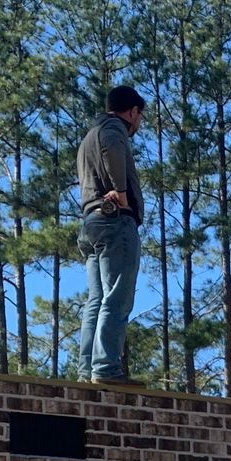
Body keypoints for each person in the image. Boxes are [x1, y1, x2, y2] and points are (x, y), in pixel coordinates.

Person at [76, 85, 146, 384]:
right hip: (115, 221)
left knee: (97, 299)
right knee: (117, 296)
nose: (139, 123)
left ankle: (87, 369)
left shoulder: (89, 135)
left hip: (92, 222)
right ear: (132, 112)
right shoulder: (112, 129)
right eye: (140, 116)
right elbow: (113, 148)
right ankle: (105, 369)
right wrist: (120, 190)